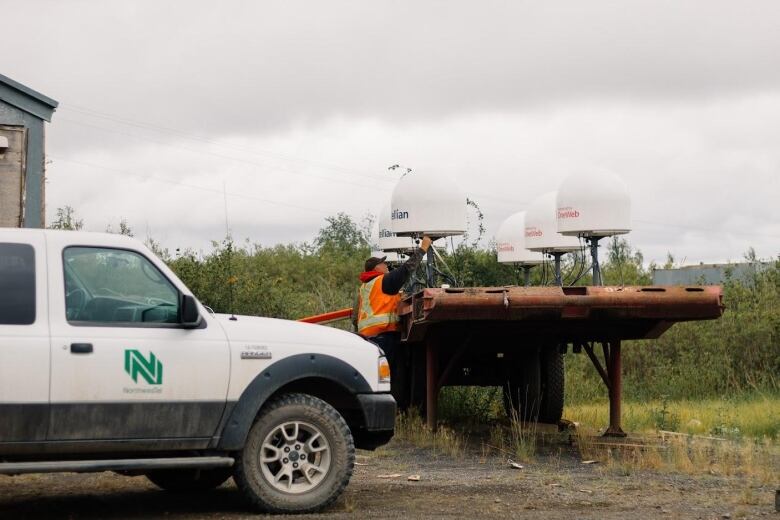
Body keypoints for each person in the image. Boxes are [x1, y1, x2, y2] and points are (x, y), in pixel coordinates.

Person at [353, 236, 432, 405]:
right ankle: (395, 411)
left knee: (376, 378)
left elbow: (354, 318)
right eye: (383, 264)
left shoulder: (364, 288)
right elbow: (406, 269)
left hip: (367, 340)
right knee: (392, 377)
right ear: (376, 268)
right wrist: (423, 249)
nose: (386, 266)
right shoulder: (384, 281)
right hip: (385, 338)